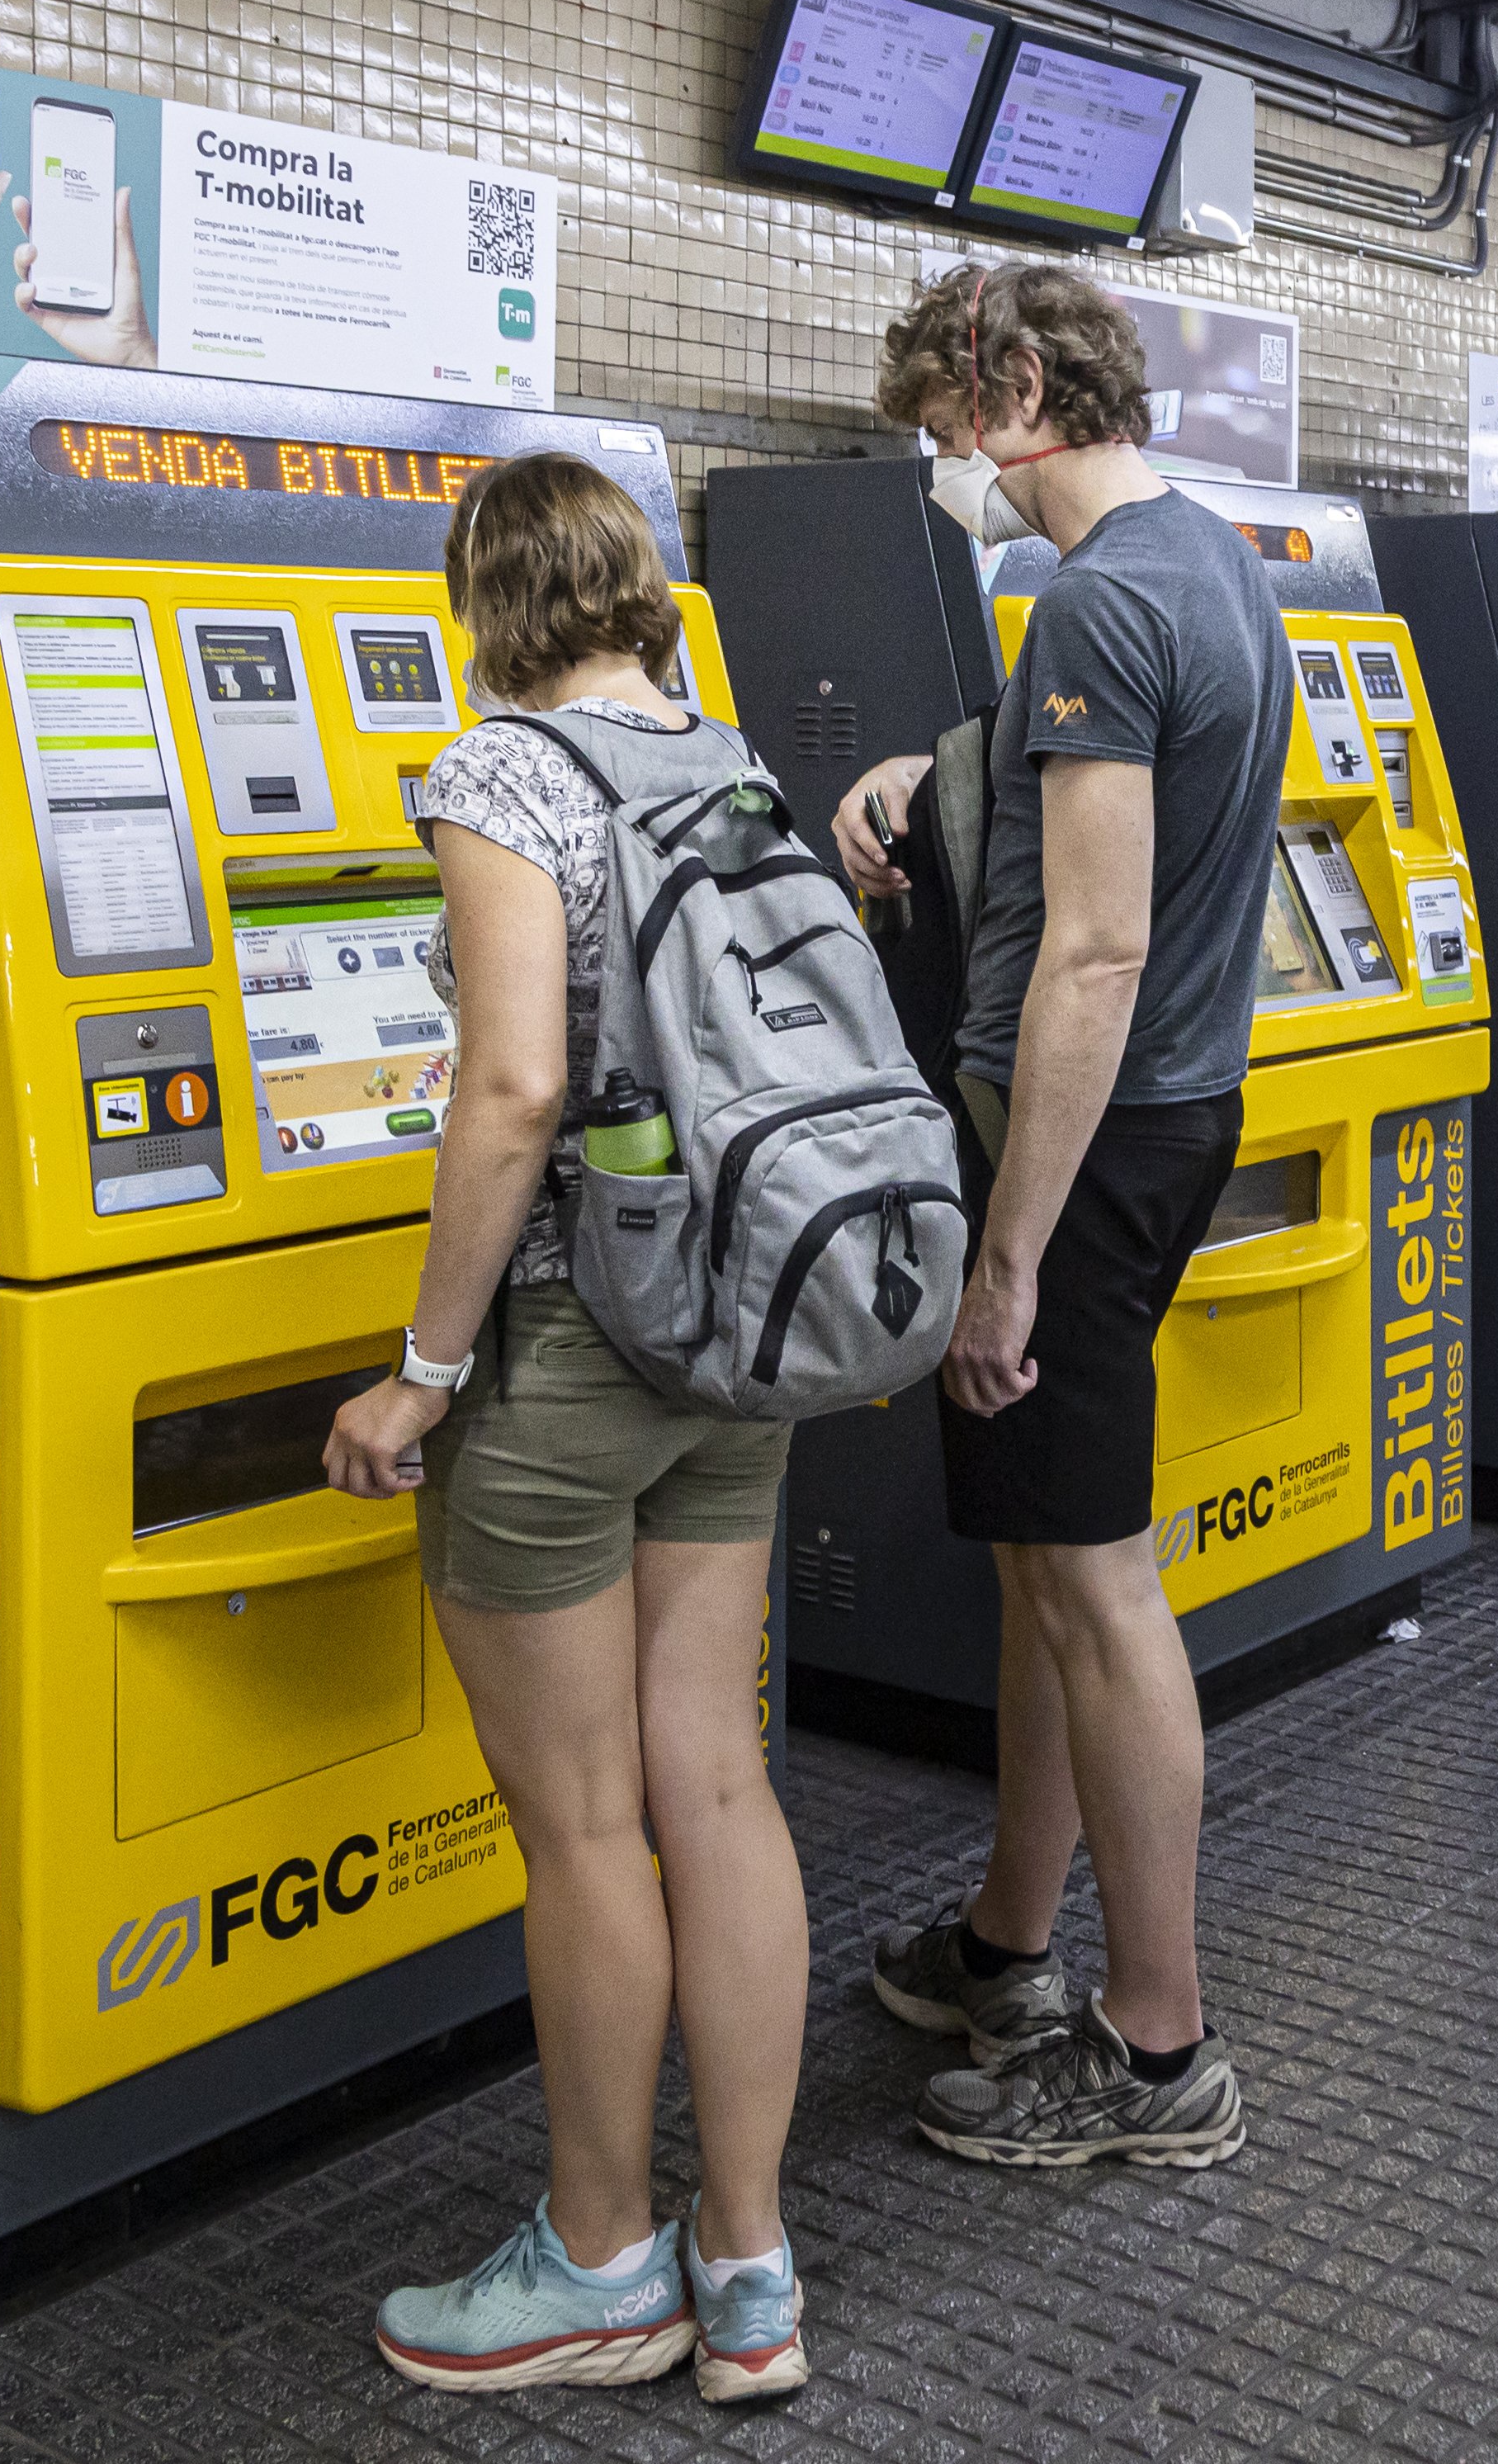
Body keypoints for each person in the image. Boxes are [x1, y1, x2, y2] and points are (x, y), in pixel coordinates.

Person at [321, 453, 813, 2399]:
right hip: (733, 1338)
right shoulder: (726, 754)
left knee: (589, 1823)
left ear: (489, 597)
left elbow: (513, 1086)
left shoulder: (502, 772)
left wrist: (419, 1373)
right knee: (717, 1788)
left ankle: (602, 2260)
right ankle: (749, 2266)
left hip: (566, 1357)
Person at [831, 265, 1288, 2167]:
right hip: (1165, 1120)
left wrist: (1008, 1257)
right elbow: (1108, 839)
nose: (953, 465)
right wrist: (933, 785)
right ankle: (1013, 1944)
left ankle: (1160, 2048)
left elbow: (1093, 949)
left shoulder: (1096, 596)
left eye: (949, 424)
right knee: (1042, 1563)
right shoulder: (1214, 563)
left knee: (1096, 1581)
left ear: (1019, 384)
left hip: (1079, 1150)